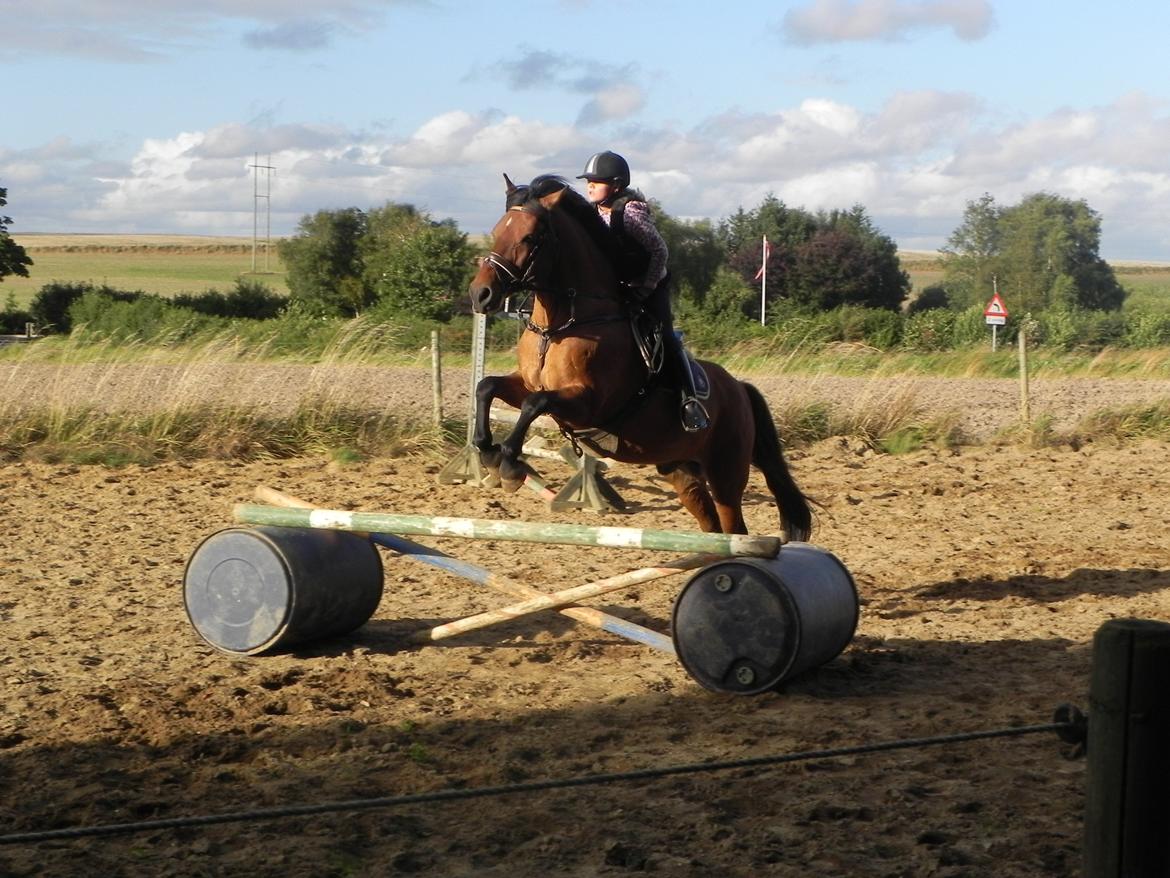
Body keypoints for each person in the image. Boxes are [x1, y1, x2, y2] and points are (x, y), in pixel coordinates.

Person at [577, 150, 709, 432]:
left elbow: (660, 250)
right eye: (588, 180)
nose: (589, 185)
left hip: (650, 285)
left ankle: (690, 402)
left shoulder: (630, 212)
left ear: (615, 185)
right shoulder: (593, 214)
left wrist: (645, 287)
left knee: (667, 338)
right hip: (618, 287)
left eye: (596, 181)